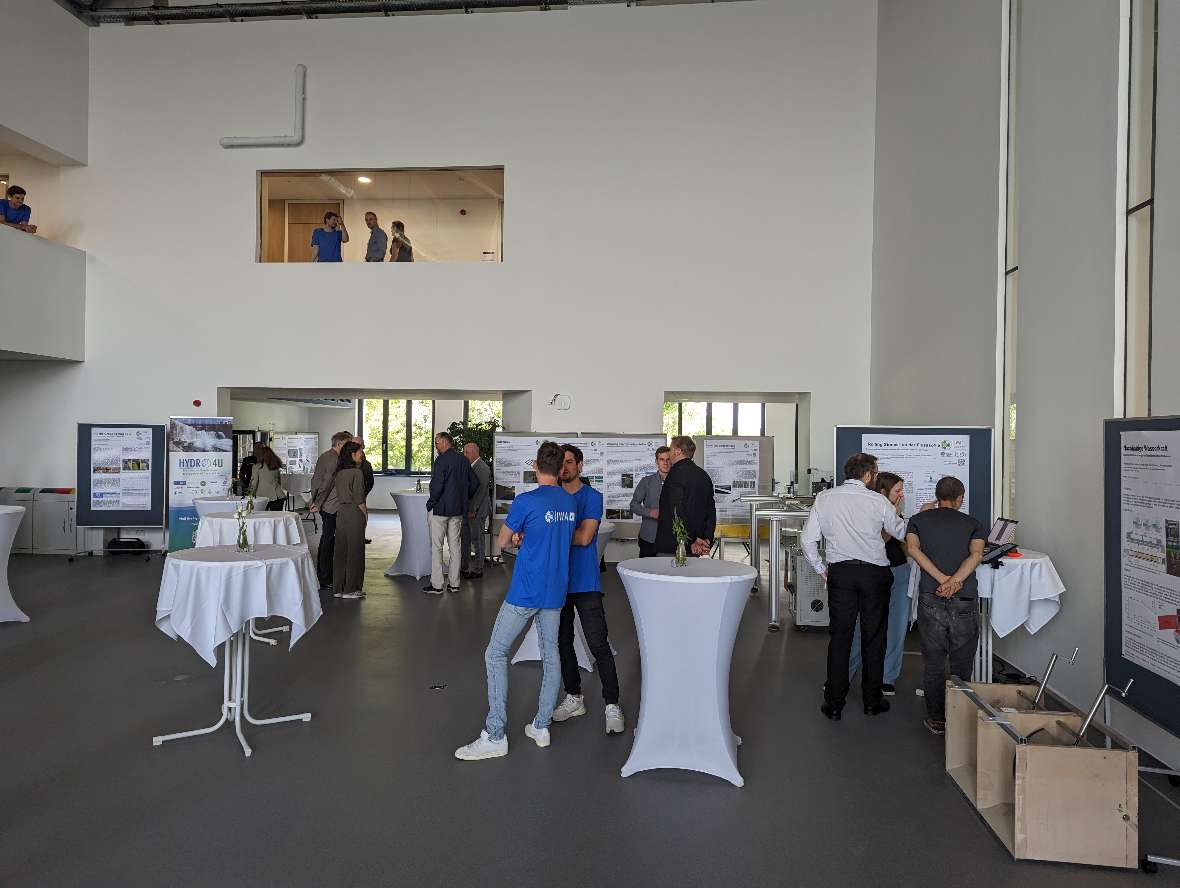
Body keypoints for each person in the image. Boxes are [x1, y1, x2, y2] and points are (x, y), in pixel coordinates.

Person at [455, 441, 576, 761]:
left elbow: (503, 540)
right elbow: (551, 536)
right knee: (552, 657)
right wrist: (527, 537)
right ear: (561, 469)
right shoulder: (569, 501)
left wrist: (518, 537)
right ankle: (541, 725)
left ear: (537, 465)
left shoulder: (526, 501)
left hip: (526, 590)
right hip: (555, 591)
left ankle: (495, 735)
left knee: (495, 653)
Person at [801, 452, 907, 721]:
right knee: (874, 637)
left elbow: (807, 540)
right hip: (875, 575)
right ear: (870, 475)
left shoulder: (825, 498)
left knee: (840, 638)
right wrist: (896, 512)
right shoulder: (877, 500)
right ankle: (872, 701)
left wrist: (822, 569)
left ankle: (834, 704)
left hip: (841, 574)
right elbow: (900, 532)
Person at [550, 444, 624, 734]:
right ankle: (574, 697)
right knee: (563, 641)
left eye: (569, 462)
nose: (564, 468)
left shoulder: (592, 497)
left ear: (580, 465)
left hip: (585, 582)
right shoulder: (552, 497)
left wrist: (552, 533)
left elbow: (584, 538)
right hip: (558, 581)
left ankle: (612, 703)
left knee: (598, 642)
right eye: (561, 464)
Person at [906, 476, 986, 735]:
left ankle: (937, 720)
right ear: (960, 498)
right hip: (964, 598)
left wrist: (941, 580)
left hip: (932, 596)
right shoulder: (974, 524)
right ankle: (960, 721)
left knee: (934, 661)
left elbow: (913, 550)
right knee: (962, 664)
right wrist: (956, 581)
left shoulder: (918, 521)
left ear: (937, 496)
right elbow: (976, 554)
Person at [847, 472, 911, 695]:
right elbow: (880, 540)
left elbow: (904, 544)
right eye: (897, 490)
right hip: (871, 573)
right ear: (882, 492)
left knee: (896, 626)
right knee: (858, 627)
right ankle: (844, 675)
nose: (902, 494)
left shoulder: (897, 513)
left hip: (898, 571)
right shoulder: (869, 510)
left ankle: (887, 677)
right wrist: (894, 515)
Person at [424, 431, 478, 594]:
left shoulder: (441, 460)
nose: (436, 446)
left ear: (446, 442)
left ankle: (437, 585)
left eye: (437, 443)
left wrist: (430, 503)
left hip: (440, 510)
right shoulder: (463, 460)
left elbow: (437, 486)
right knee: (455, 547)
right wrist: (463, 498)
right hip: (457, 511)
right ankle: (454, 584)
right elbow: (475, 482)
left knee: (437, 547)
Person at [653, 436, 716, 557]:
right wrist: (706, 539)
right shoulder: (703, 475)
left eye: (671, 449)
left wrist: (691, 539)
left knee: (670, 575)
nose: (670, 453)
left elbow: (676, 510)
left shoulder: (674, 475)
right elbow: (711, 510)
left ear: (678, 451)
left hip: (675, 547)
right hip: (697, 546)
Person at [309, 430, 354, 591]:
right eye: (347, 444)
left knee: (328, 540)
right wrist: (317, 503)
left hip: (327, 505)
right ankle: (325, 577)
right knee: (328, 541)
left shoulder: (326, 456)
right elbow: (326, 483)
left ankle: (326, 575)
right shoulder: (334, 459)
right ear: (339, 444)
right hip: (330, 506)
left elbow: (316, 480)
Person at [332, 441, 369, 601]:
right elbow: (360, 499)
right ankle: (351, 589)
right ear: (352, 455)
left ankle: (338, 588)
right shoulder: (357, 473)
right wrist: (365, 515)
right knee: (355, 551)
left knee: (341, 551)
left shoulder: (339, 473)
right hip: (354, 512)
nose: (362, 454)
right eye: (360, 452)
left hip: (341, 512)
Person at [629, 446, 672, 557]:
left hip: (671, 538)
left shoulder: (679, 483)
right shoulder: (646, 482)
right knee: (646, 570)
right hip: (648, 537)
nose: (665, 463)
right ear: (656, 461)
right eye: (662, 459)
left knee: (667, 571)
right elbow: (633, 505)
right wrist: (650, 512)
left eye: (668, 459)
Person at [461, 442, 492, 579]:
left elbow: (481, 491)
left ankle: (479, 569)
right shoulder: (471, 466)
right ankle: (464, 567)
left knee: (477, 539)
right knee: (466, 538)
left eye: (466, 452)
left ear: (474, 452)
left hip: (477, 511)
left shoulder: (482, 468)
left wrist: (473, 509)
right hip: (469, 510)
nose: (464, 455)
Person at [250, 445, 288, 511]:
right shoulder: (275, 466)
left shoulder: (256, 467)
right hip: (278, 496)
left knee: (262, 519)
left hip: (262, 497)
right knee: (276, 519)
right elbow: (279, 482)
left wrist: (250, 494)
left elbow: (254, 482)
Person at [352, 436, 375, 544]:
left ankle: (361, 536)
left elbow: (370, 481)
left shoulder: (365, 464)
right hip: (349, 496)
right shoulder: (346, 460)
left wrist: (363, 493)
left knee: (362, 515)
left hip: (361, 493)